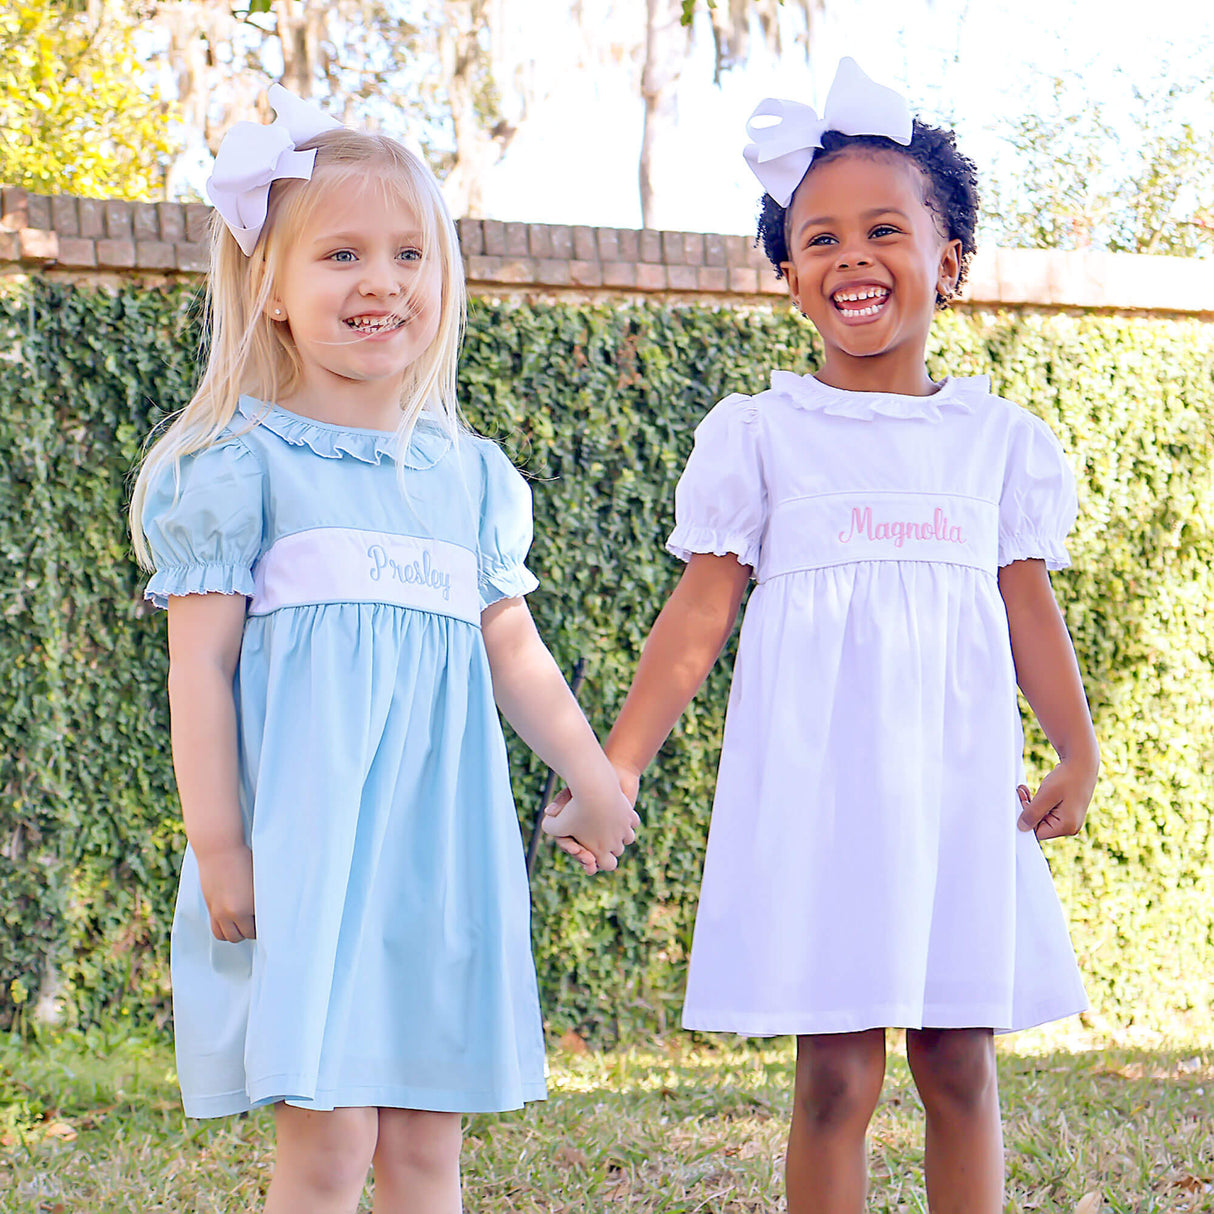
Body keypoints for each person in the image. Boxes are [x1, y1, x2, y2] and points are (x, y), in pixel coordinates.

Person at [546, 58, 1099, 1213]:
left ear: (946, 261)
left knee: (956, 1060)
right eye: (819, 237)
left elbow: (1025, 606)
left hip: (953, 794)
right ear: (789, 276)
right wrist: (617, 762)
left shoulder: (993, 440)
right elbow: (698, 611)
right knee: (833, 1074)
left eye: (883, 230)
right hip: (821, 794)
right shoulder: (761, 433)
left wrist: (1074, 749)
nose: (852, 255)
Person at [130, 84, 636, 1214]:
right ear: (268, 289)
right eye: (342, 253)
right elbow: (198, 668)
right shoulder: (237, 467)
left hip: (434, 859)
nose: (382, 280)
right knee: (329, 1141)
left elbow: (514, 649)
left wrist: (593, 774)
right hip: (309, 854)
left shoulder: (467, 477)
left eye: (409, 252)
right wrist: (220, 843)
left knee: (423, 1147)